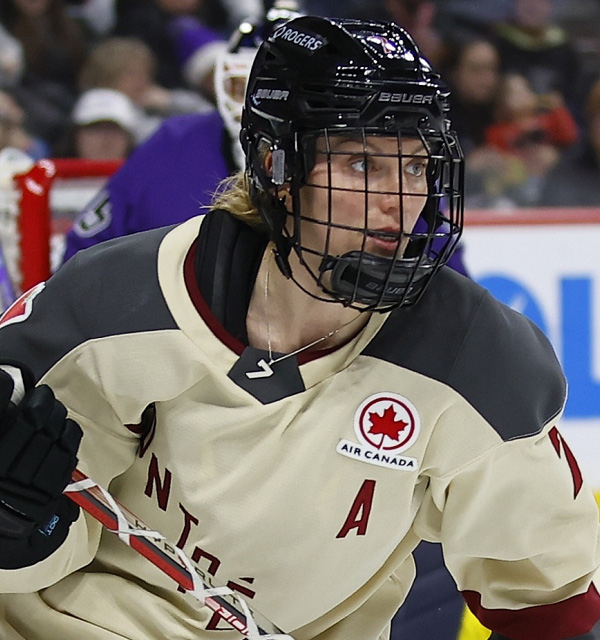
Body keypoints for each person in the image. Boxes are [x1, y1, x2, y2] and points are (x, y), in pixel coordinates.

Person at [1, 15, 599, 640]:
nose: (399, 198)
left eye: (418, 166)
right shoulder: (114, 308)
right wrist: (22, 526)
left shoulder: (476, 362)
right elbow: (35, 549)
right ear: (276, 165)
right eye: (363, 165)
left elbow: (547, 604)